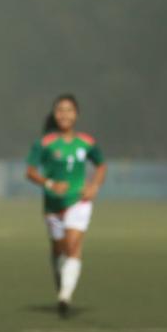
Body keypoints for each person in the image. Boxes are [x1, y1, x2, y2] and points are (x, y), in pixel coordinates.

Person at [26, 94, 107, 316]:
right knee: (59, 250)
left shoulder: (87, 142)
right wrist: (49, 182)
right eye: (60, 110)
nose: (64, 114)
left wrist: (94, 186)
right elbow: (31, 172)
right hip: (53, 205)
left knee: (72, 245)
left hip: (78, 201)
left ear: (76, 115)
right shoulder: (45, 143)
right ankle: (62, 285)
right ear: (55, 114)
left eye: (69, 110)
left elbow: (101, 165)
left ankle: (65, 296)